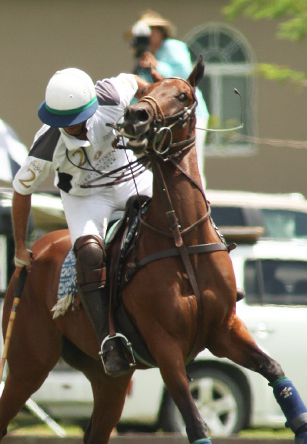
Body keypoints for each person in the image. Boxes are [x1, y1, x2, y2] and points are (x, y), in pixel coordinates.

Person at [11, 68, 152, 377]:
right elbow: (21, 192)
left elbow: (137, 82)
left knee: (175, 203)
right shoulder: (46, 142)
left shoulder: (111, 95)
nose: (71, 128)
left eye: (76, 120)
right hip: (86, 197)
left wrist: (147, 104)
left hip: (129, 179)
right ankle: (108, 341)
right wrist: (20, 246)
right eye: (63, 121)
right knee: (88, 253)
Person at [128, 10, 209, 188]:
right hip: (167, 118)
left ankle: (200, 197)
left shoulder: (172, 46)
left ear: (160, 31)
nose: (148, 37)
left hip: (189, 114)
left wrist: (157, 65)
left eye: (151, 31)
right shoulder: (148, 55)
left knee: (192, 162)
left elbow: (184, 77)